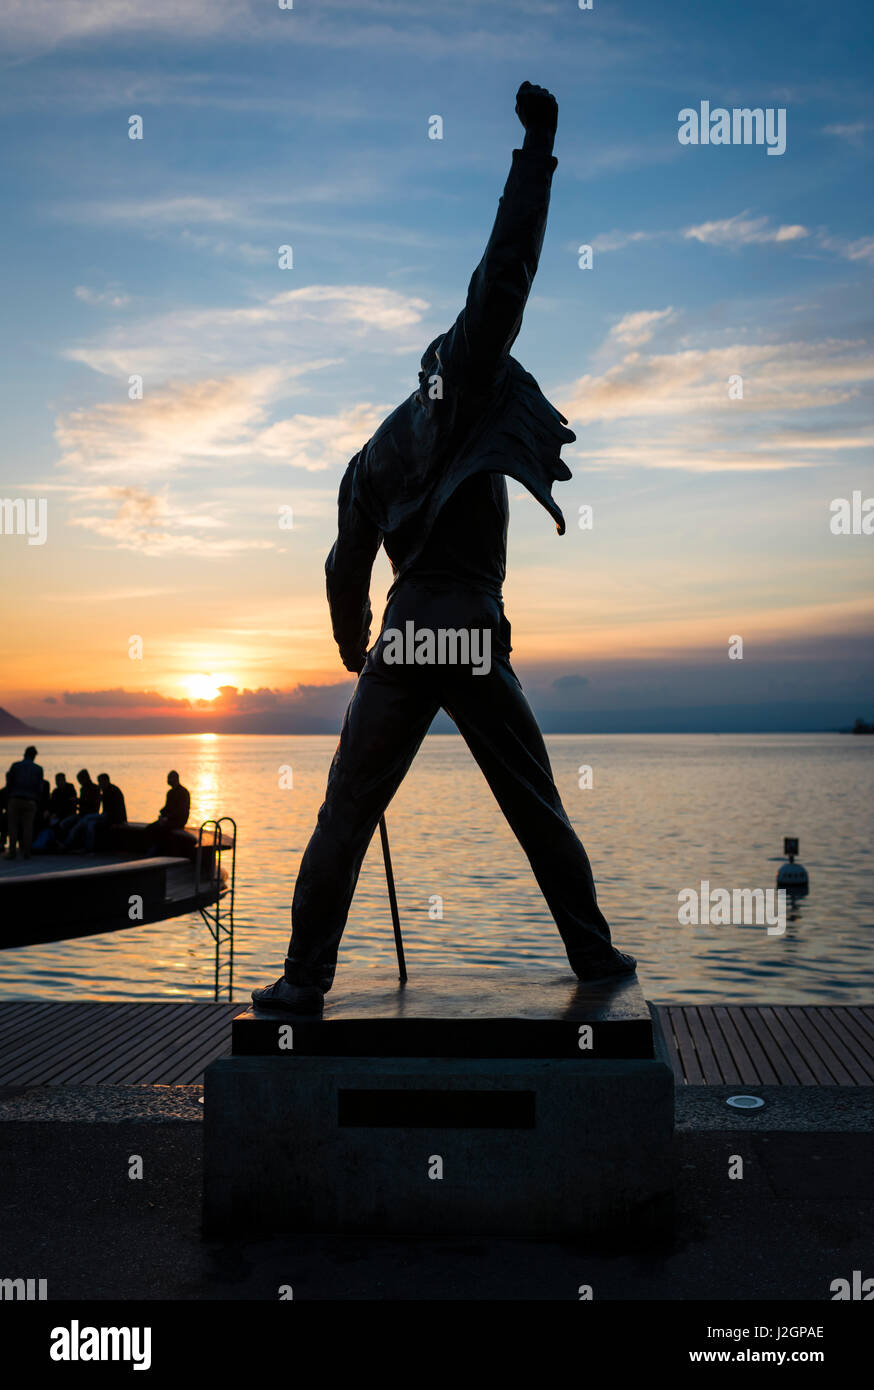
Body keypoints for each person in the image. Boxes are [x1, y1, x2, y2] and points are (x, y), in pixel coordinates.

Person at [253, 83, 636, 1018]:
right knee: (534, 805)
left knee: (346, 809)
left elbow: (344, 568)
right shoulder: (460, 389)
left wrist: (356, 648)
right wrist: (537, 150)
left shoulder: (369, 456)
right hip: (467, 636)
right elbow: (502, 276)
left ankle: (304, 980)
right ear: (451, 366)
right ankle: (593, 956)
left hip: (403, 641)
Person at [65, 773, 128, 852]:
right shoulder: (106, 790)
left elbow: (114, 811)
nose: (99, 784)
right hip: (109, 816)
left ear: (106, 781)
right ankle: (87, 847)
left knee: (86, 819)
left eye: (100, 782)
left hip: (114, 818)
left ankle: (73, 844)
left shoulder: (112, 791)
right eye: (99, 782)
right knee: (89, 824)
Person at [4, 745, 44, 860]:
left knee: (13, 827)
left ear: (24, 754)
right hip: (30, 801)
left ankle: (12, 852)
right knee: (28, 827)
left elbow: (9, 783)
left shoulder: (16, 766)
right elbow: (39, 787)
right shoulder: (38, 769)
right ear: (34, 756)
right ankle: (27, 852)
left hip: (15, 799)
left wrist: (8, 798)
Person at [144, 771, 190, 853]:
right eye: (168, 778)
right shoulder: (170, 793)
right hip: (168, 819)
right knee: (149, 828)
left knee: (162, 830)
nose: (168, 780)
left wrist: (167, 818)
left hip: (179, 821)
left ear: (176, 779)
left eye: (170, 778)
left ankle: (159, 850)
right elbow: (167, 807)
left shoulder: (183, 792)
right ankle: (151, 849)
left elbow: (181, 810)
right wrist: (162, 814)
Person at [57, 769, 99, 846]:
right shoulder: (83, 789)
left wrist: (79, 801)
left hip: (90, 815)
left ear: (85, 778)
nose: (79, 782)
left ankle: (66, 845)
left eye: (80, 780)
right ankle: (61, 841)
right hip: (81, 814)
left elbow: (93, 804)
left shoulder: (95, 788)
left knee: (76, 828)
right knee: (63, 823)